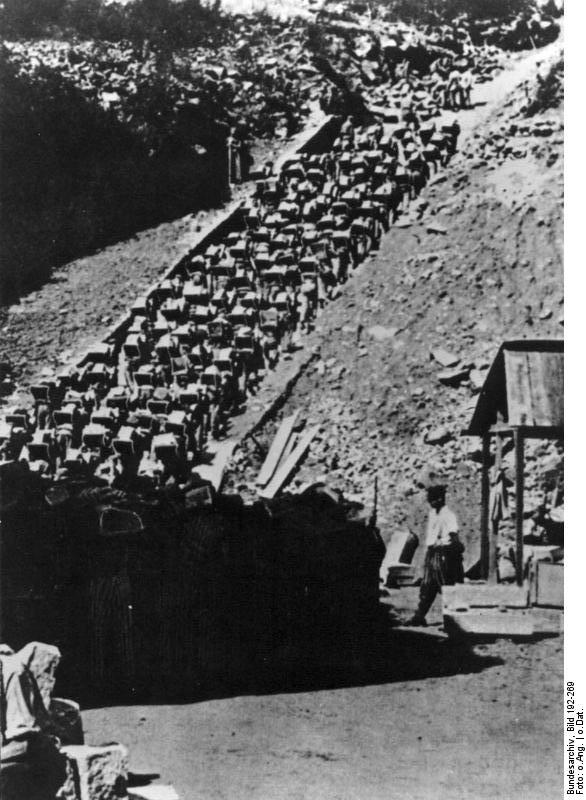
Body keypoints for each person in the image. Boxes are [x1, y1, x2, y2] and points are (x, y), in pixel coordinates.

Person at [407, 472, 464, 626]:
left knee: (447, 587)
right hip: (432, 554)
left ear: (440, 499)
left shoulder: (448, 515)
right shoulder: (433, 513)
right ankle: (419, 616)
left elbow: (454, 536)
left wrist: (451, 550)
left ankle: (451, 622)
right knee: (428, 586)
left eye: (433, 500)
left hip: (444, 555)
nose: (430, 503)